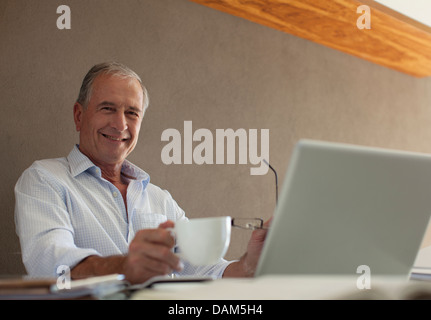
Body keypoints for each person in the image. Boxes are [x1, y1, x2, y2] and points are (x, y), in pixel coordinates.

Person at [14, 62, 269, 284]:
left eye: (131, 113)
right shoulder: (44, 179)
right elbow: (49, 267)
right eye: (107, 108)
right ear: (79, 116)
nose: (120, 124)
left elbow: (205, 270)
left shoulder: (161, 199)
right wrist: (126, 267)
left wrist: (250, 264)